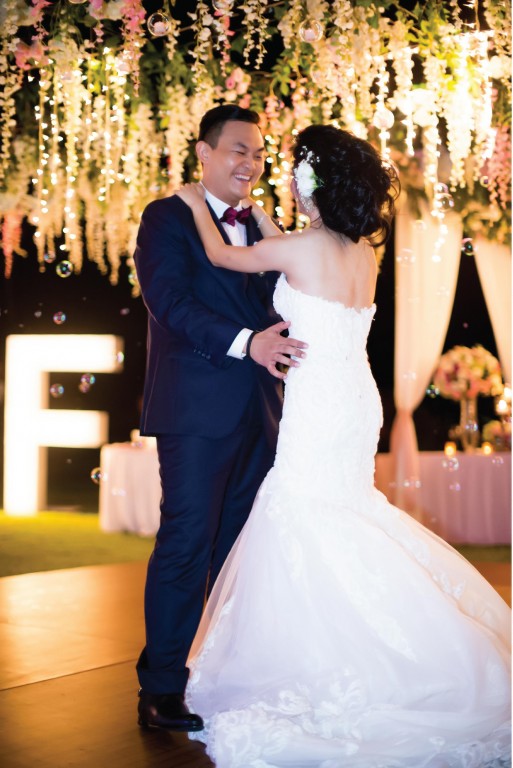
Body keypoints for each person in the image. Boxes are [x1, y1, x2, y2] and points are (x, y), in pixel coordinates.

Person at [173, 124, 511, 767]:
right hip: (357, 397)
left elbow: (221, 255)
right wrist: (266, 216)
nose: (289, 183)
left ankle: (329, 655)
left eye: (296, 174)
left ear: (314, 185)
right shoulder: (360, 254)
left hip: (320, 402)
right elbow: (291, 249)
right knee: (344, 510)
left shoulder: (300, 247)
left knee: (304, 511)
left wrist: (194, 201)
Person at [134, 105, 308, 732]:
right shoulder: (166, 218)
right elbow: (170, 303)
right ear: (204, 153)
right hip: (195, 412)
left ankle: (228, 677)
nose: (251, 164)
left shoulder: (261, 227)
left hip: (262, 413)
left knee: (242, 551)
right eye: (239, 150)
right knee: (186, 544)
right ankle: (161, 687)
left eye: (259, 154)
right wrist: (247, 342)